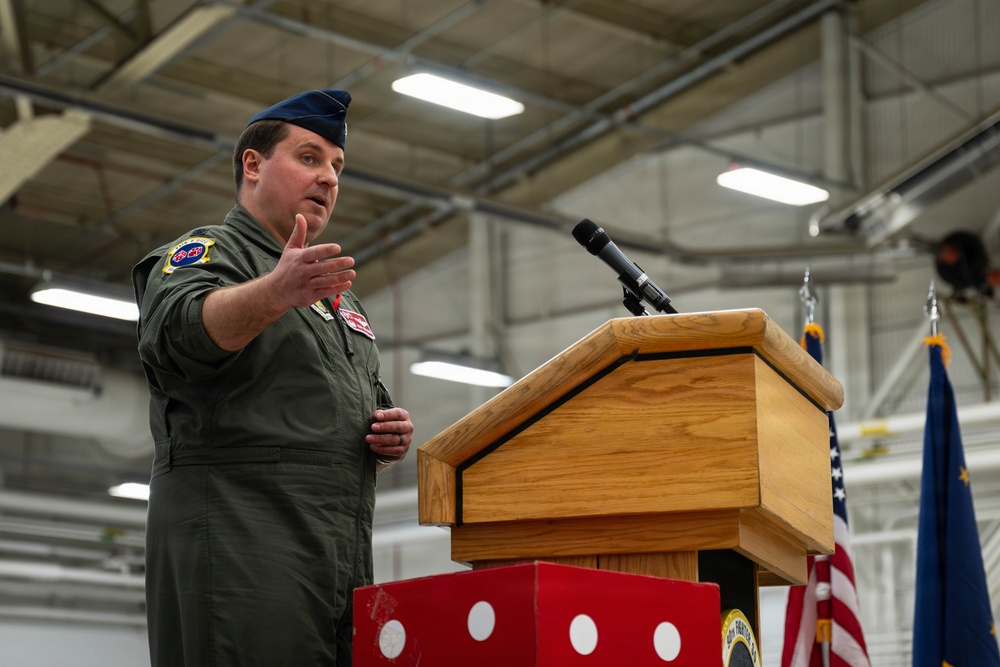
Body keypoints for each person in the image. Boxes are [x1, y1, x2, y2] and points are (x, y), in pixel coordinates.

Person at [131, 89, 413, 666]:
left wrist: (386, 434)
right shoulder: (209, 252)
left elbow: (349, 397)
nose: (329, 178)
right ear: (253, 164)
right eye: (309, 158)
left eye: (337, 166)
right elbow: (180, 333)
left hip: (339, 545)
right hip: (241, 537)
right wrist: (276, 292)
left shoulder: (332, 293)